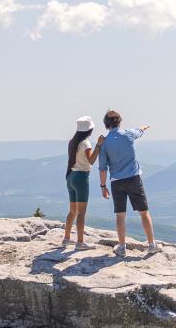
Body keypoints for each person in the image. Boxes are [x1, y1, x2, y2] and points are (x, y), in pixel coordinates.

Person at [95, 109, 156, 257]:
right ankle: (151, 245)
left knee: (120, 215)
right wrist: (145, 127)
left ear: (106, 124)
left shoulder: (104, 142)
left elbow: (102, 168)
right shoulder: (129, 134)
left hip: (117, 182)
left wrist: (103, 186)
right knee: (144, 212)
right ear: (119, 121)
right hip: (134, 178)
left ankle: (122, 247)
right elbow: (139, 131)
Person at [63, 115, 102, 249]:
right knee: (81, 213)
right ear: (89, 130)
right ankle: (80, 242)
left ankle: (66, 239)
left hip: (71, 176)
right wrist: (98, 146)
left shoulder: (72, 142)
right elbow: (91, 160)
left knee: (72, 211)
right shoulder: (86, 143)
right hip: (81, 178)